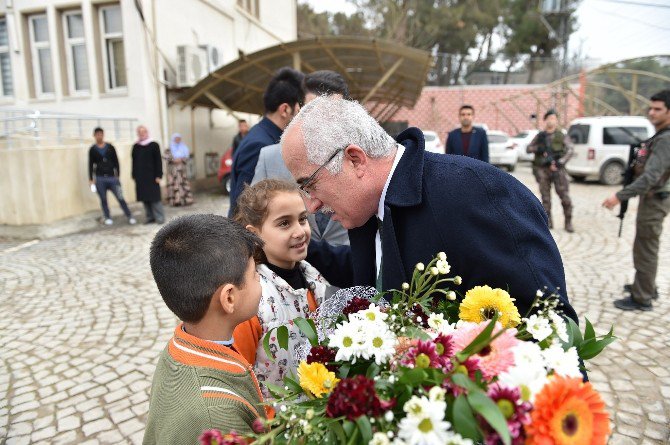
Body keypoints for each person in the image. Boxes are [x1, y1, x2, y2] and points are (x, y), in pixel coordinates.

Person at [281, 96, 579, 325]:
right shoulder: (367, 207)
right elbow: (378, 271)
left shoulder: (474, 193)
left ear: (355, 160)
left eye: (310, 184)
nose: (312, 204)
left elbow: (548, 324)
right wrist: (303, 250)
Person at [143, 214, 268, 444]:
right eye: (255, 275)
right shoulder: (217, 418)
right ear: (229, 297)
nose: (261, 280)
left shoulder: (180, 348)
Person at [231, 179, 331, 398]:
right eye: (284, 223)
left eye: (302, 219)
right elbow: (237, 378)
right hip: (274, 422)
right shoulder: (251, 300)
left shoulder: (315, 278)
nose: (299, 231)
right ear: (254, 233)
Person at [252, 70, 351, 246]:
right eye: (314, 112)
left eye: (334, 113)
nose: (324, 121)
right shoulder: (270, 158)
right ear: (298, 110)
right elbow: (253, 216)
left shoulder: (358, 158)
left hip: (352, 263)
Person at [603, 89, 670, 311]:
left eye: (658, 109)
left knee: (646, 247)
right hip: (652, 198)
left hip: (655, 199)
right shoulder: (660, 136)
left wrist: (619, 196)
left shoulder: (665, 140)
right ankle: (645, 286)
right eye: (650, 108)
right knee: (644, 244)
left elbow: (651, 177)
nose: (652, 112)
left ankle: (642, 297)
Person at [228, 67, 305, 216]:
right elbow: (243, 207)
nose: (301, 116)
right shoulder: (259, 145)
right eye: (299, 110)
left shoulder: (264, 135)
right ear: (285, 110)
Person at [527, 109, 575, 232]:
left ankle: (568, 222)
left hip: (558, 170)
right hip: (543, 170)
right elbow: (529, 148)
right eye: (549, 118)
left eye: (553, 118)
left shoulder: (561, 135)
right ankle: (548, 223)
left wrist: (560, 162)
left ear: (557, 121)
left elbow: (570, 150)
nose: (551, 121)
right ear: (545, 120)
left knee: (565, 197)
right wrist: (538, 148)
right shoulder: (540, 136)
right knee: (545, 198)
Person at [88, 127, 136, 225]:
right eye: (97, 134)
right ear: (94, 136)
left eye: (100, 134)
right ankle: (107, 217)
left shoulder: (110, 147)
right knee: (103, 199)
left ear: (103, 135)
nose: (99, 136)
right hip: (100, 178)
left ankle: (129, 215)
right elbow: (90, 164)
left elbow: (116, 161)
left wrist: (117, 174)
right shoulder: (93, 149)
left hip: (112, 178)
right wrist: (91, 179)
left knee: (120, 197)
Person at [132, 126, 165, 224]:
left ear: (147, 132)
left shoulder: (154, 145)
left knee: (155, 198)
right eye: (139, 132)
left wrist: (159, 175)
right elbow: (134, 161)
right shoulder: (136, 146)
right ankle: (150, 217)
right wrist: (134, 174)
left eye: (143, 132)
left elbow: (158, 161)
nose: (142, 134)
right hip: (140, 176)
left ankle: (160, 217)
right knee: (144, 198)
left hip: (152, 176)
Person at [164, 133, 194, 207]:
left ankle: (185, 200)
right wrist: (173, 160)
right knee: (174, 185)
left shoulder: (183, 147)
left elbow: (187, 156)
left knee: (182, 184)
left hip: (181, 170)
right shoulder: (169, 148)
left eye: (179, 138)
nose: (177, 140)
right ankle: (175, 201)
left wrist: (181, 159)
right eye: (176, 138)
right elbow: (165, 157)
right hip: (172, 171)